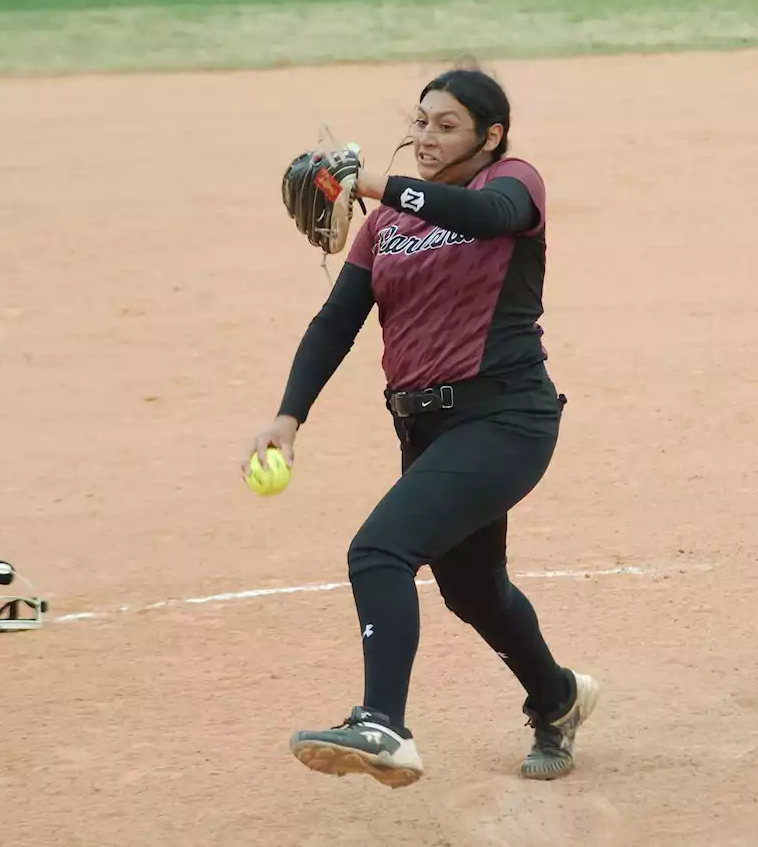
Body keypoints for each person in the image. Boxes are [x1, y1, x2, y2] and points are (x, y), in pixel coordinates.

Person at [241, 67, 599, 789]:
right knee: (470, 589)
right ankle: (558, 697)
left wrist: (377, 182)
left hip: (505, 416)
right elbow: (336, 322)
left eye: (446, 125)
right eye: (421, 120)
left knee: (379, 550)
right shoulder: (385, 227)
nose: (426, 136)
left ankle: (383, 723)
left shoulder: (512, 182)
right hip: (428, 431)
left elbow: (490, 218)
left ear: (489, 135)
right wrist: (288, 415)